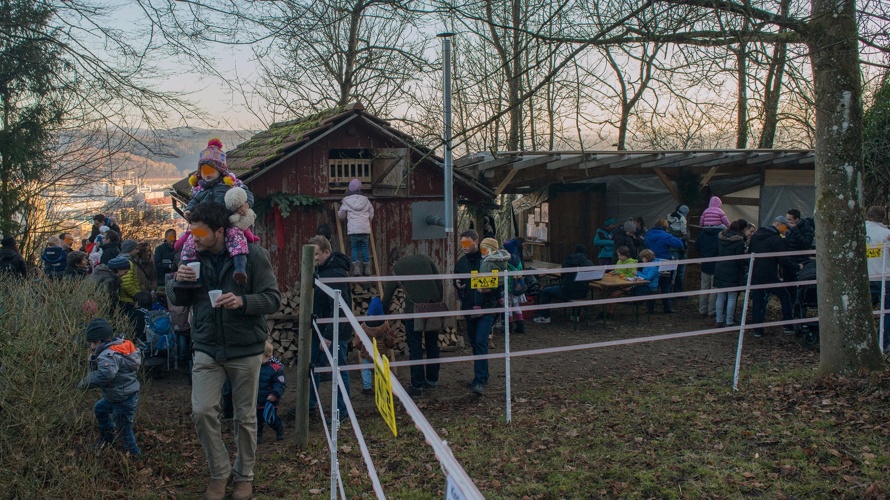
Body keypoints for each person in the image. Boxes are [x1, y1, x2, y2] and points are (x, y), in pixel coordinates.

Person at [166, 201, 281, 500]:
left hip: (245, 348)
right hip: (206, 345)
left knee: (245, 416)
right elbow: (177, 299)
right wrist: (178, 281)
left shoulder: (253, 255)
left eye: (201, 232)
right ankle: (220, 472)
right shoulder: (191, 255)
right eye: (192, 231)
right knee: (202, 411)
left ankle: (244, 476)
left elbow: (272, 299)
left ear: (219, 231)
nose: (195, 237)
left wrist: (243, 302)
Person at [179, 138, 258, 287]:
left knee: (236, 238)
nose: (207, 174)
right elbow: (193, 202)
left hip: (227, 222)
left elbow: (247, 193)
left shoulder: (231, 184)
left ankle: (240, 268)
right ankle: (188, 271)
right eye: (203, 171)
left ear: (220, 170)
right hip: (205, 225)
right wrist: (188, 210)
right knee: (190, 243)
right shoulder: (198, 189)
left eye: (210, 170)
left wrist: (246, 204)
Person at [382, 251, 443, 397]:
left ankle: (416, 386)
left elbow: (387, 296)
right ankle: (432, 381)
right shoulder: (424, 258)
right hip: (433, 307)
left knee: (415, 347)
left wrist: (382, 316)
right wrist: (437, 302)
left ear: (393, 261)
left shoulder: (396, 270)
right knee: (432, 345)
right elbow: (439, 282)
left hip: (413, 310)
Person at [77, 318, 142, 456]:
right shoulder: (117, 347)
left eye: (92, 344)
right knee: (100, 408)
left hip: (122, 399)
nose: (91, 347)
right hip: (120, 395)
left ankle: (135, 456)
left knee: (124, 431)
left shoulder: (108, 355)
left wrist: (84, 383)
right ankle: (107, 438)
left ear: (99, 342)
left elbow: (105, 375)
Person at [307, 235, 352, 421]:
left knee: (339, 369)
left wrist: (328, 335)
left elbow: (339, 308)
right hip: (321, 326)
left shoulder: (335, 275)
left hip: (335, 331)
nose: (314, 257)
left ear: (326, 252)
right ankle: (308, 405)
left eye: (316, 254)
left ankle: (343, 411)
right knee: (312, 367)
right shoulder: (322, 270)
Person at [747, 216, 796, 337]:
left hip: (755, 272)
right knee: (785, 295)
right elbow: (783, 260)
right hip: (769, 274)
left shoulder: (757, 235)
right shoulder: (776, 239)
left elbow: (750, 253)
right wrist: (796, 266)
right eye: (785, 227)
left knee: (758, 300)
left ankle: (757, 329)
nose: (786, 230)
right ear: (779, 225)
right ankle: (788, 325)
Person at [533, 244, 595, 324]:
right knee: (580, 289)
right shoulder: (588, 263)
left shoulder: (568, 260)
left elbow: (562, 276)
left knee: (545, 291)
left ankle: (544, 317)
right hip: (582, 292)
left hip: (566, 291)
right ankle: (576, 316)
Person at [453, 230, 483, 389]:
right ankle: (482, 376)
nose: (463, 246)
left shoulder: (486, 260)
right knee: (474, 342)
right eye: (462, 243)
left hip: (486, 308)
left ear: (476, 242)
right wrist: (457, 284)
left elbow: (495, 279)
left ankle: (479, 381)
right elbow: (455, 278)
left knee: (480, 341)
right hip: (468, 307)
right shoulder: (461, 262)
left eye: (467, 243)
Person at [643, 219, 685, 313]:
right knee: (665, 285)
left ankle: (650, 309)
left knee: (652, 286)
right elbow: (679, 244)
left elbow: (644, 244)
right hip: (663, 262)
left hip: (651, 262)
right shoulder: (665, 235)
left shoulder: (648, 234)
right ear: (665, 227)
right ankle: (667, 307)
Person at [355, 296, 394, 395]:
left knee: (366, 370)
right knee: (381, 370)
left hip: (366, 352)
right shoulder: (385, 326)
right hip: (381, 353)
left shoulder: (363, 326)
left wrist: (360, 348)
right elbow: (390, 339)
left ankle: (367, 387)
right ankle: (382, 387)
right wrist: (389, 346)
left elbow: (358, 340)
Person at [713, 220, 748, 328]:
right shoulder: (739, 242)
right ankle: (729, 321)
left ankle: (719, 320)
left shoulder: (720, 237)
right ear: (742, 230)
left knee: (720, 295)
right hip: (733, 270)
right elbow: (739, 259)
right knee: (732, 297)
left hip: (720, 268)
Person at [865, 206, 890, 352]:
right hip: (883, 276)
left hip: (864, 277)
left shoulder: (857, 231)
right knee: (886, 311)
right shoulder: (886, 234)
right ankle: (883, 341)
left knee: (863, 310)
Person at [338, 178, 375, 277]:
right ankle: (367, 269)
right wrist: (368, 220)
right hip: (365, 229)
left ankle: (356, 269)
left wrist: (342, 218)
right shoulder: (366, 200)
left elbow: (341, 214)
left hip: (353, 230)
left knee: (354, 248)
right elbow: (371, 212)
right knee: (365, 248)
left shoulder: (346, 201)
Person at [255, 342, 286, 444]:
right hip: (256, 400)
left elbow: (280, 384)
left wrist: (274, 394)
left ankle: (279, 426)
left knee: (270, 419)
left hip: (270, 400)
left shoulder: (276, 369)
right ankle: (257, 436)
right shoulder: (254, 367)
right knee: (257, 420)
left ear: (266, 356)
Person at [695, 224, 722, 317]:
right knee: (714, 288)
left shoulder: (702, 233)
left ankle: (702, 309)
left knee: (704, 287)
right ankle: (712, 310)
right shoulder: (720, 233)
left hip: (705, 261)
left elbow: (697, 246)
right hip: (716, 262)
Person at [503, 239, 527, 333]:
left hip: (508, 287)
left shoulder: (506, 260)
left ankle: (509, 327)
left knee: (508, 307)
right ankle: (521, 326)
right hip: (518, 285)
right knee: (516, 306)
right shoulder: (518, 259)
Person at [606, 246, 638, 315]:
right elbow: (617, 270)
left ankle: (609, 312)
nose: (619, 257)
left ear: (626, 255)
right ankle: (605, 310)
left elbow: (631, 275)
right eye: (618, 255)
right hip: (616, 282)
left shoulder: (631, 263)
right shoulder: (619, 261)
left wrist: (620, 274)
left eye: (621, 256)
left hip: (627, 285)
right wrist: (613, 272)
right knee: (605, 292)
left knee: (613, 295)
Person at [667, 205, 690, 295]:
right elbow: (685, 234)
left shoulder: (670, 218)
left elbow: (685, 234)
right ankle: (673, 292)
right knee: (675, 271)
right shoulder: (679, 219)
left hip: (678, 249)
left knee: (677, 272)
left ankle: (676, 292)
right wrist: (683, 236)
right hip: (676, 248)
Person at [633, 249, 661, 313]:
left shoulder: (654, 267)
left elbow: (648, 277)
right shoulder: (648, 264)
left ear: (647, 258)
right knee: (634, 290)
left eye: (643, 258)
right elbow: (645, 275)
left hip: (650, 286)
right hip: (646, 284)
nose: (642, 260)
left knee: (635, 291)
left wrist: (638, 273)